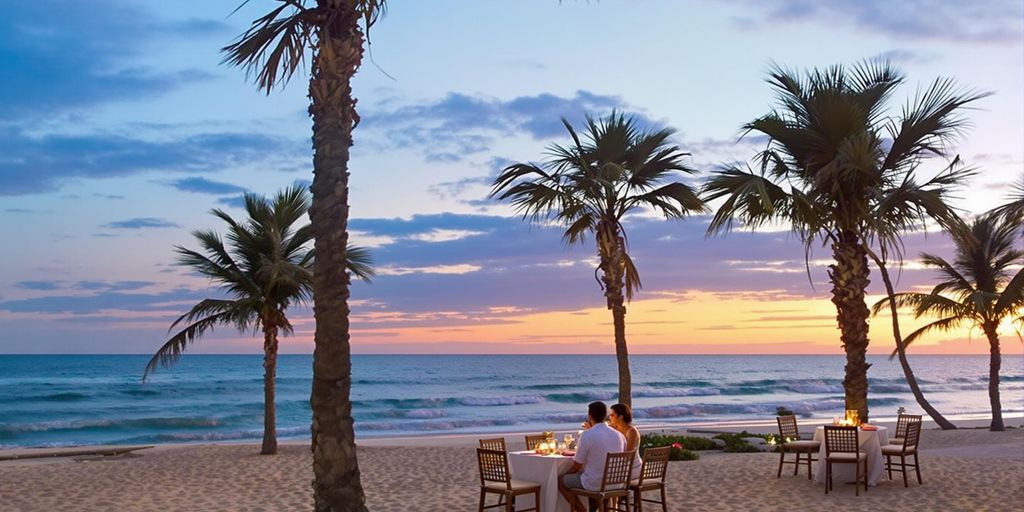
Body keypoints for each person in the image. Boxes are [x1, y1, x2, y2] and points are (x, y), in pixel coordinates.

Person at [558, 401, 626, 512]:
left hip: (596, 484)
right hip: (617, 482)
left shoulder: (588, 434)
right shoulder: (619, 435)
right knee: (590, 474)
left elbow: (577, 465)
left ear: (590, 416)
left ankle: (583, 510)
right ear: (606, 416)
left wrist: (565, 473)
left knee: (561, 481)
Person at [609, 403, 643, 479]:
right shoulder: (614, 429)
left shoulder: (631, 431)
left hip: (633, 468)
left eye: (612, 415)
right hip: (620, 465)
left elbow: (628, 455)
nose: (609, 417)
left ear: (620, 417)